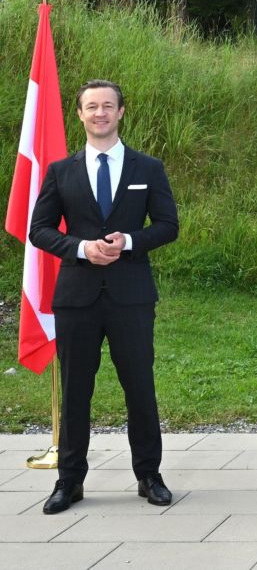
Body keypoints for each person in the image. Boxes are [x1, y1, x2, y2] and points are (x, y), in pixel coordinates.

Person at [29, 80, 179, 514]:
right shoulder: (61, 170)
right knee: (77, 392)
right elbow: (39, 230)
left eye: (107, 106)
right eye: (91, 107)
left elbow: (168, 225)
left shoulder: (147, 168)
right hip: (76, 298)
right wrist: (81, 248)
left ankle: (149, 476)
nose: (100, 113)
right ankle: (69, 482)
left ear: (121, 112)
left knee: (140, 388)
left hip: (131, 297)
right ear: (80, 114)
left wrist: (129, 241)